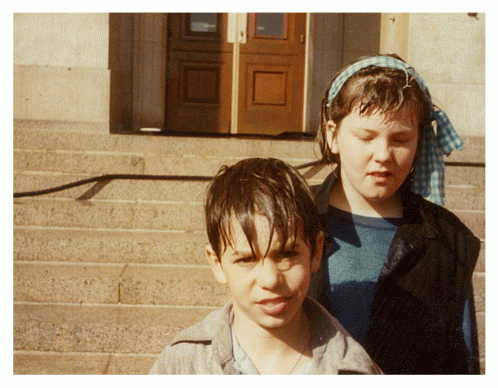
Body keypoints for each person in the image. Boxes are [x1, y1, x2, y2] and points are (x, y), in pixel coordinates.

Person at [309, 54, 481, 374]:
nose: (383, 155)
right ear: (333, 134)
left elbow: (460, 361)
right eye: (366, 137)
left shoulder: (447, 240)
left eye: (401, 139)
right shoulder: (293, 217)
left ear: (420, 139)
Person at [149, 158, 382, 374]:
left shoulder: (355, 370)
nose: (270, 280)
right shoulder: (182, 365)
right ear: (217, 263)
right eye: (246, 259)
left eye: (287, 254)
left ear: (316, 251)